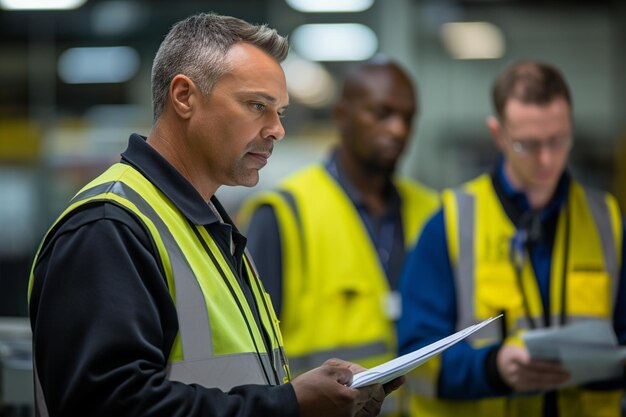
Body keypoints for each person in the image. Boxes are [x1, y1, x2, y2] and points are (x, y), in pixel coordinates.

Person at [27, 12, 403, 417]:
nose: (277, 129)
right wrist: (288, 406)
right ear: (184, 96)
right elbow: (108, 405)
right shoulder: (108, 227)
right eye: (257, 105)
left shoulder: (203, 224)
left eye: (280, 112)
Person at [397, 59, 626, 417]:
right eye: (528, 145)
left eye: (558, 140)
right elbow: (417, 358)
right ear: (498, 135)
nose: (547, 159)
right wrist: (493, 368)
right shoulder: (450, 224)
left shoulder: (607, 221)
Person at [238, 57, 439, 415]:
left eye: (408, 117)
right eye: (382, 113)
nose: (398, 130)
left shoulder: (434, 213)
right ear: (342, 114)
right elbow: (252, 357)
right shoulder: (285, 213)